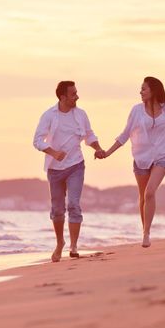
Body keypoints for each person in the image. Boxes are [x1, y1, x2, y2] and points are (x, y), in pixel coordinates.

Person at [97, 76, 165, 248]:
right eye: (141, 89)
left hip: (162, 156)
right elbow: (125, 135)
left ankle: (146, 233)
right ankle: (145, 230)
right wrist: (107, 153)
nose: (140, 92)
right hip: (141, 157)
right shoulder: (136, 111)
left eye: (144, 89)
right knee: (143, 197)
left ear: (154, 91)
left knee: (150, 192)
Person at [33, 80, 104, 262]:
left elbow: (89, 135)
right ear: (63, 97)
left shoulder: (80, 114)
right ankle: (60, 243)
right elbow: (37, 140)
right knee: (57, 209)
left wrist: (97, 148)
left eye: (76, 92)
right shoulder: (49, 115)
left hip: (76, 165)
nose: (77, 96)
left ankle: (73, 246)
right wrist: (53, 152)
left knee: (73, 204)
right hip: (54, 169)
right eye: (73, 94)